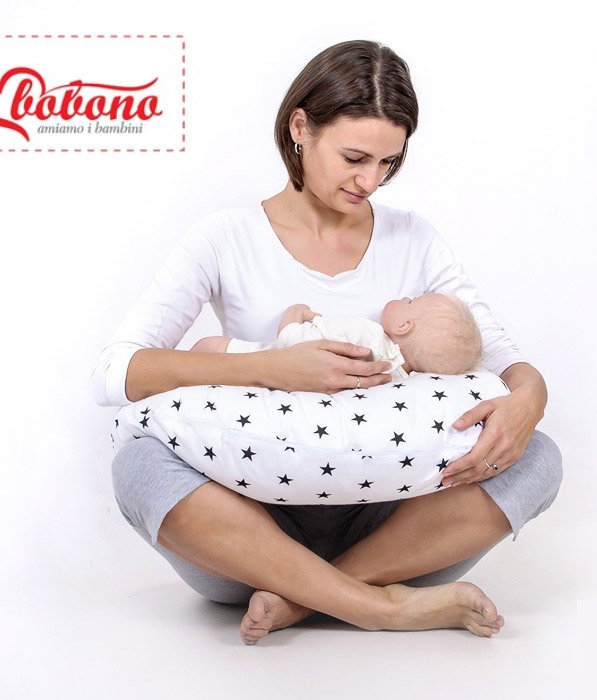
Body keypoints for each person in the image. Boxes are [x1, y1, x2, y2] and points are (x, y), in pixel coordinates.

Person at [92, 39, 562, 645]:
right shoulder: (226, 236)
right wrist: (271, 369)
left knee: (538, 457)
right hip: (251, 527)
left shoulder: (413, 239)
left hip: (393, 525)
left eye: (388, 162)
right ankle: (379, 607)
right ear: (300, 128)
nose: (371, 181)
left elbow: (501, 354)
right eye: (354, 157)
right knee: (138, 465)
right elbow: (115, 371)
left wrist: (530, 399)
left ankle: (305, 599)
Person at [190, 292, 484, 379]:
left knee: (207, 347)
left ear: (404, 326)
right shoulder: (396, 379)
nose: (406, 297)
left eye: (412, 301)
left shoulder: (367, 334)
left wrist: (295, 314)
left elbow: (293, 348)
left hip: (258, 361)